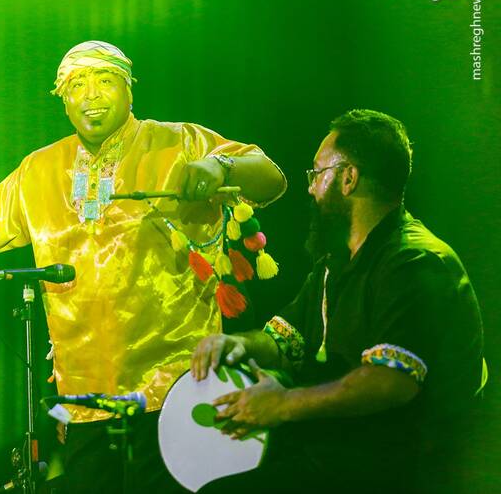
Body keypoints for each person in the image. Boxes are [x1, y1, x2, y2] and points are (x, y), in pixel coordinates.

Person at [0, 40, 286, 491]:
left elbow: (271, 178)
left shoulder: (180, 142)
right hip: (87, 398)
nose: (91, 95)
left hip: (179, 385)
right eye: (77, 85)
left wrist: (221, 167)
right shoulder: (40, 169)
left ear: (129, 90)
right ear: (63, 99)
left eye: (105, 81)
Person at [191, 109, 485, 493]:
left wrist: (282, 405)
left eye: (317, 174)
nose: (311, 189)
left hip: (398, 473)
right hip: (340, 459)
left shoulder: (414, 262)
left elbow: (390, 382)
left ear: (348, 178)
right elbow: (286, 340)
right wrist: (237, 344)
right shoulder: (338, 262)